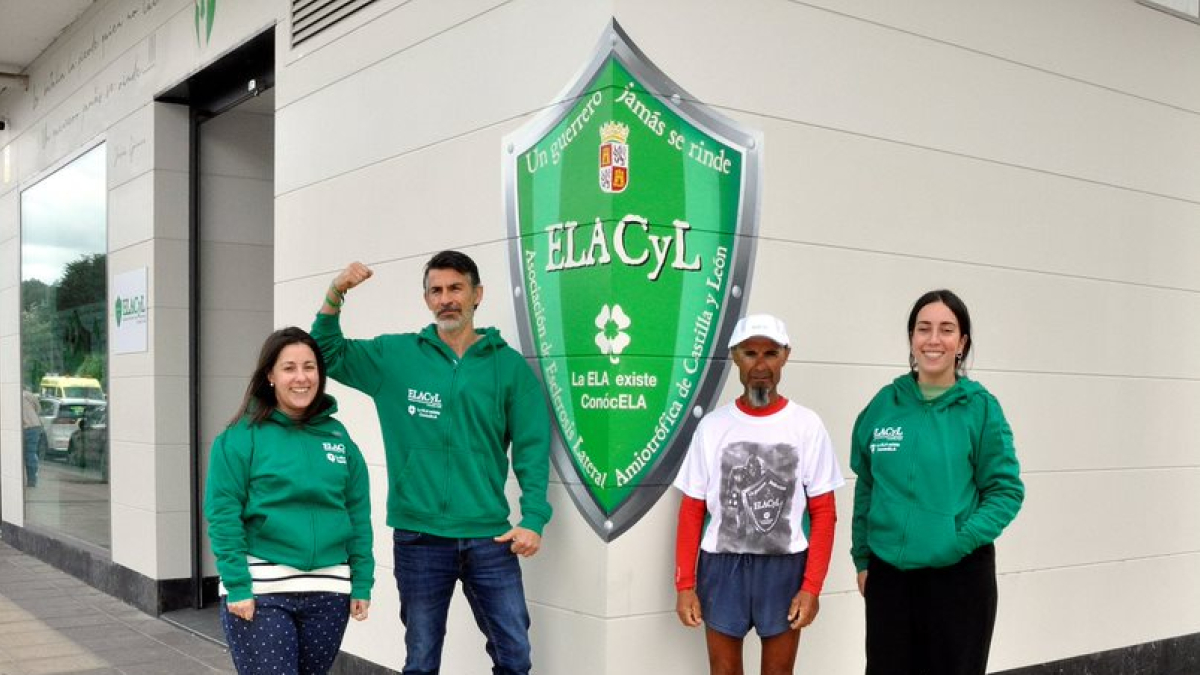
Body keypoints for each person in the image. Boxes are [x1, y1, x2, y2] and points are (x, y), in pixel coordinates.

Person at [311, 250, 552, 675]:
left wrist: (533, 518)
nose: (446, 299)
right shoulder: (396, 357)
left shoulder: (508, 367)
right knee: (421, 661)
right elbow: (326, 352)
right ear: (426, 300)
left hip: (489, 538)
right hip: (419, 537)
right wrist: (336, 293)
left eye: (456, 288)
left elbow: (532, 447)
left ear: (477, 295)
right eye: (436, 291)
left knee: (515, 657)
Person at [850, 289, 1024, 675]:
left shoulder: (980, 408)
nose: (933, 339)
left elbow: (1006, 490)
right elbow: (867, 485)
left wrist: (956, 541)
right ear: (911, 338)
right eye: (923, 328)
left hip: (958, 578)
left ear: (961, 343)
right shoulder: (884, 404)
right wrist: (862, 557)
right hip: (889, 577)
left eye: (946, 329)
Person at [673, 314, 844, 675]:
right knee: (723, 670)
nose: (761, 365)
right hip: (723, 566)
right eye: (750, 353)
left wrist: (812, 586)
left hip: (784, 567)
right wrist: (685, 584)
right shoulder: (713, 426)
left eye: (771, 353)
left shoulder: (806, 425)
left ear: (786, 356)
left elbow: (824, 512)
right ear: (735, 356)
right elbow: (691, 509)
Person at [205, 327, 374, 675]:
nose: (301, 377)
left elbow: (357, 515)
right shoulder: (239, 439)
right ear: (270, 375)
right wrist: (237, 585)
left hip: (329, 592)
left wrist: (362, 581)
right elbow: (224, 516)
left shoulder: (339, 438)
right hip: (261, 592)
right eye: (289, 367)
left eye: (310, 367)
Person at [21, 386, 42, 488]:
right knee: (31, 453)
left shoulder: (12, 396)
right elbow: (38, 409)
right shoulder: (29, 395)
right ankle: (32, 480)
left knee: (22, 455)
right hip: (34, 426)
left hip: (23, 428)